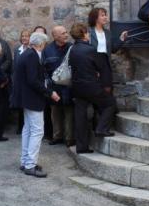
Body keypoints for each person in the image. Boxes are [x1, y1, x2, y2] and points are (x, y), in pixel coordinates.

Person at [12, 32, 60, 177]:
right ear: (41, 44)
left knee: (28, 129)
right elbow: (33, 81)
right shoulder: (32, 56)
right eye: (44, 44)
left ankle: (25, 161)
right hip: (32, 99)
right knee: (38, 131)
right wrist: (50, 93)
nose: (45, 47)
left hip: (26, 99)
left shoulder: (27, 54)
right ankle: (30, 165)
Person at [69, 23, 118, 154]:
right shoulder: (90, 49)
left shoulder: (73, 49)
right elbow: (101, 67)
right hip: (91, 86)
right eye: (87, 33)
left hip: (77, 87)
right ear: (84, 34)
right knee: (110, 103)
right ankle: (101, 128)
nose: (89, 34)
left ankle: (81, 146)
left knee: (80, 117)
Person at [43, 25, 74, 146]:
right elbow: (44, 71)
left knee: (69, 113)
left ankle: (69, 138)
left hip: (69, 87)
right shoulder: (47, 50)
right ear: (55, 36)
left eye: (66, 32)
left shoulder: (72, 48)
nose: (66, 35)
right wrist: (50, 90)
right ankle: (57, 136)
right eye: (63, 33)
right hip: (55, 87)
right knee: (55, 113)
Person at [87, 8, 128, 95]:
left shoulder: (108, 33)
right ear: (95, 18)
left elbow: (113, 50)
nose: (105, 17)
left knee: (107, 90)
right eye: (102, 15)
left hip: (105, 64)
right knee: (95, 90)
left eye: (105, 15)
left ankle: (106, 108)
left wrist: (121, 39)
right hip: (92, 64)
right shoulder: (88, 33)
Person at [12, 29, 31, 134]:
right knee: (21, 106)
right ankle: (20, 127)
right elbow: (15, 66)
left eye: (27, 36)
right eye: (23, 36)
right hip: (19, 81)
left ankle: (28, 127)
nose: (24, 38)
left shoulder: (31, 50)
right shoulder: (17, 50)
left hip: (29, 81)